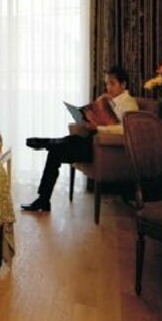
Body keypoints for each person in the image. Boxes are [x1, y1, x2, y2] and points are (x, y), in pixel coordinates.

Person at [21, 66, 139, 212]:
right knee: (58, 150)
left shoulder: (129, 104)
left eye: (112, 83)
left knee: (57, 148)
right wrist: (88, 121)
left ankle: (47, 143)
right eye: (107, 83)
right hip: (91, 143)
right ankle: (43, 199)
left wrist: (99, 128)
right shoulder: (109, 101)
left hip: (103, 151)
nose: (108, 87)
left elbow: (126, 130)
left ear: (123, 84)